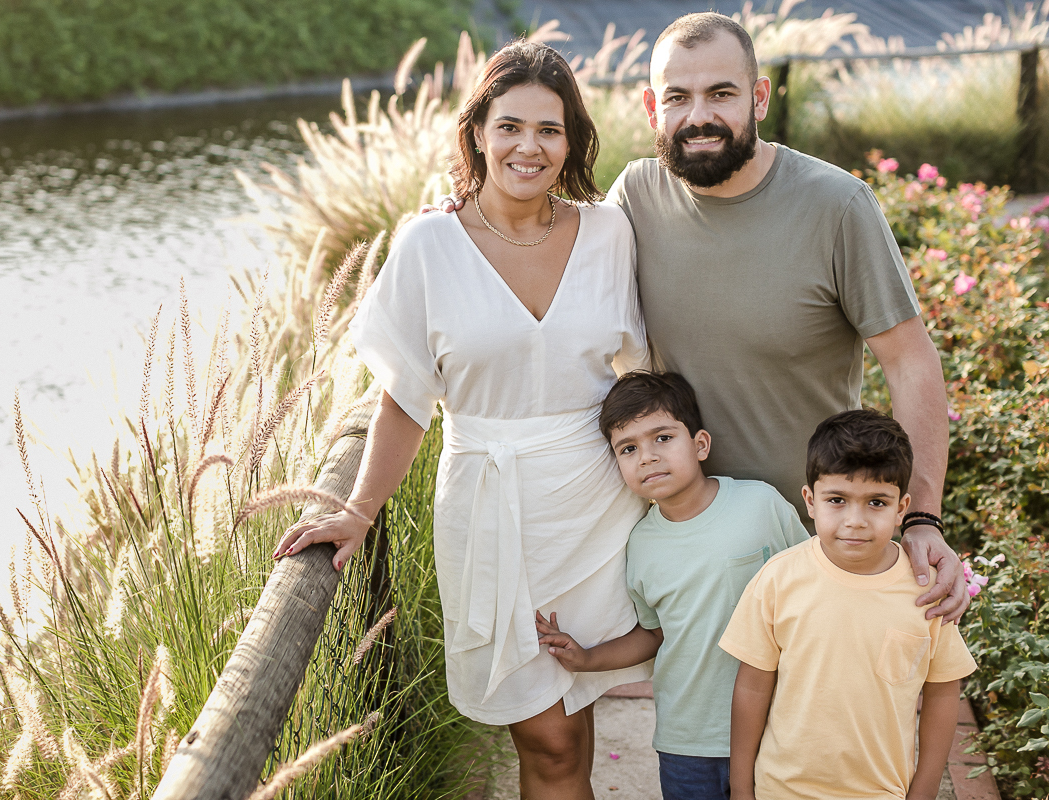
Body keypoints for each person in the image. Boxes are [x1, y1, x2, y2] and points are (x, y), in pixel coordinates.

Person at [436, 12, 968, 621]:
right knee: (702, 718)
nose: (698, 117)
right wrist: (466, 215)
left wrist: (922, 517)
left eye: (721, 94)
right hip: (685, 545)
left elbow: (911, 364)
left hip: (814, 545)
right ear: (650, 107)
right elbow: (547, 248)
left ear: (759, 97)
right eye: (678, 98)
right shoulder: (635, 198)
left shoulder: (838, 206)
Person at [273, 41, 652, 800]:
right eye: (510, 125)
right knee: (542, 734)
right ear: (478, 130)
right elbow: (406, 395)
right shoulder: (428, 245)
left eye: (550, 129)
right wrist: (358, 511)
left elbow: (641, 372)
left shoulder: (609, 234)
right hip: (489, 505)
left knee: (577, 723)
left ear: (572, 140)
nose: (529, 146)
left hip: (597, 506)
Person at [535, 370, 808, 800]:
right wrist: (587, 658)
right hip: (688, 738)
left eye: (662, 438)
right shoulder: (641, 545)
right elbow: (655, 633)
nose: (647, 456)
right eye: (629, 448)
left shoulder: (761, 504)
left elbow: (816, 587)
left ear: (700, 445)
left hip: (777, 724)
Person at [719, 409, 976, 800]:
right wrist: (741, 788)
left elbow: (943, 691)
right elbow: (752, 688)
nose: (855, 520)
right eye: (837, 499)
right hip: (781, 789)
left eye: (876, 502)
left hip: (881, 792)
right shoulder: (779, 579)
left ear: (901, 508)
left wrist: (923, 792)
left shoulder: (925, 589)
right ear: (810, 499)